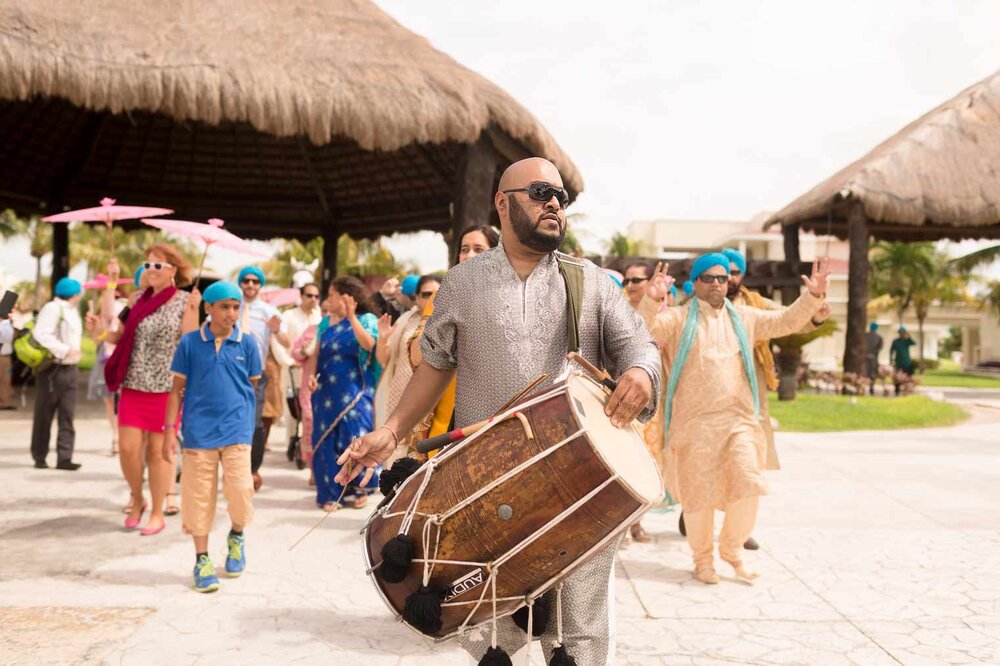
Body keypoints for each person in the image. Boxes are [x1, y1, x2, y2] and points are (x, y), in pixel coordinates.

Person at [339, 157, 660, 665]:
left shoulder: (592, 282)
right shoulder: (463, 283)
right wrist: (391, 429)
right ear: (502, 202)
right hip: (487, 487)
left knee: (578, 636)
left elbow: (639, 346)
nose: (553, 202)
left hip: (579, 487)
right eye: (539, 192)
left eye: (561, 196)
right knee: (495, 637)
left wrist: (642, 373)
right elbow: (436, 365)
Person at [640, 254, 829, 585]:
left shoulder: (745, 317)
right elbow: (643, 330)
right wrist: (650, 301)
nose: (717, 284)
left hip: (738, 422)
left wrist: (812, 296)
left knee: (749, 485)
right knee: (699, 499)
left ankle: (731, 549)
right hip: (693, 424)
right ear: (696, 282)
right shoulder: (678, 319)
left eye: (722, 278)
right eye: (709, 278)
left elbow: (786, 321)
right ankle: (702, 560)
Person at [94, 246, 200, 534]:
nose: (151, 269)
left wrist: (193, 309)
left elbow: (190, 342)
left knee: (158, 453)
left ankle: (157, 512)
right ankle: (138, 497)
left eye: (158, 265)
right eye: (148, 264)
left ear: (172, 271)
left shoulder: (183, 301)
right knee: (127, 449)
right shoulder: (137, 298)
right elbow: (119, 333)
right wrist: (99, 331)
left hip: (166, 389)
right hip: (133, 383)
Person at [163, 281, 261, 593]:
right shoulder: (189, 344)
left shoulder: (247, 343)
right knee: (197, 497)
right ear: (208, 308)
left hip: (236, 432)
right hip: (198, 434)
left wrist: (243, 421)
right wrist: (169, 431)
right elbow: (176, 390)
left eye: (236, 307)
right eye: (224, 306)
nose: (231, 313)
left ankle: (236, 536)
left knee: (240, 491)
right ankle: (202, 558)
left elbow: (252, 386)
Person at [305, 276, 382, 511]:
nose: (328, 301)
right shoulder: (325, 323)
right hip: (326, 390)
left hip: (355, 390)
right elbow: (316, 354)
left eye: (331, 295)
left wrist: (351, 318)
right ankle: (329, 493)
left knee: (355, 436)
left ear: (347, 296)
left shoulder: (366, 319)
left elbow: (369, 345)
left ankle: (360, 488)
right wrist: (310, 375)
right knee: (325, 440)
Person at [236, 266, 291, 491]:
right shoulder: (229, 306)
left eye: (255, 281)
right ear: (241, 283)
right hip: (230, 373)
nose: (250, 285)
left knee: (256, 424)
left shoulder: (269, 311)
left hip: (256, 376)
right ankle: (235, 469)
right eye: (246, 281)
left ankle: (252, 469)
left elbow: (288, 343)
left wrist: (277, 331)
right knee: (233, 421)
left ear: (260, 285)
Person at [30, 277, 84, 470]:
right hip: (53, 368)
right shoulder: (53, 308)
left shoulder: (72, 311)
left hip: (71, 368)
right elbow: (41, 334)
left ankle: (65, 457)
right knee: (45, 413)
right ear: (76, 294)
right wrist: (64, 349)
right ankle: (39, 456)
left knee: (67, 414)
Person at [282, 283, 323, 456]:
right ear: (301, 296)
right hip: (291, 367)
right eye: (309, 295)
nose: (313, 299)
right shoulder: (288, 315)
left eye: (316, 296)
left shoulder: (321, 316)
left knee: (308, 412)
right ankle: (292, 442)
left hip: (314, 372)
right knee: (291, 410)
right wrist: (288, 360)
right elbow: (279, 342)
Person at [88, 283, 127, 454]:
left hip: (119, 359)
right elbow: (99, 339)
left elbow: (106, 337)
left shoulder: (124, 308)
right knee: (111, 399)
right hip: (107, 358)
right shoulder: (103, 314)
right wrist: (95, 328)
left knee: (113, 399)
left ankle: (119, 436)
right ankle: (117, 436)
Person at [890, 326, 916, 395]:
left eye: (903, 333)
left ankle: (907, 390)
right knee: (897, 377)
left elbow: (914, 343)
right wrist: (891, 360)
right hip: (898, 363)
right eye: (901, 333)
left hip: (907, 363)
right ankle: (897, 390)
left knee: (907, 377)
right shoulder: (896, 341)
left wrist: (908, 336)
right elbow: (891, 351)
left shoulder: (907, 341)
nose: (902, 334)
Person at [0, 311, 15, 410]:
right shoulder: (4, 324)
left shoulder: (7, 323)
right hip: (2, 355)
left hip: (6, 355)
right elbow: (5, 338)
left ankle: (6, 402)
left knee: (6, 379)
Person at [866, 323, 883, 394]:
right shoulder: (879, 337)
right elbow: (880, 348)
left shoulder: (865, 335)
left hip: (865, 357)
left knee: (866, 372)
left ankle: (863, 386)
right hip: (874, 358)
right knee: (872, 373)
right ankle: (871, 387)